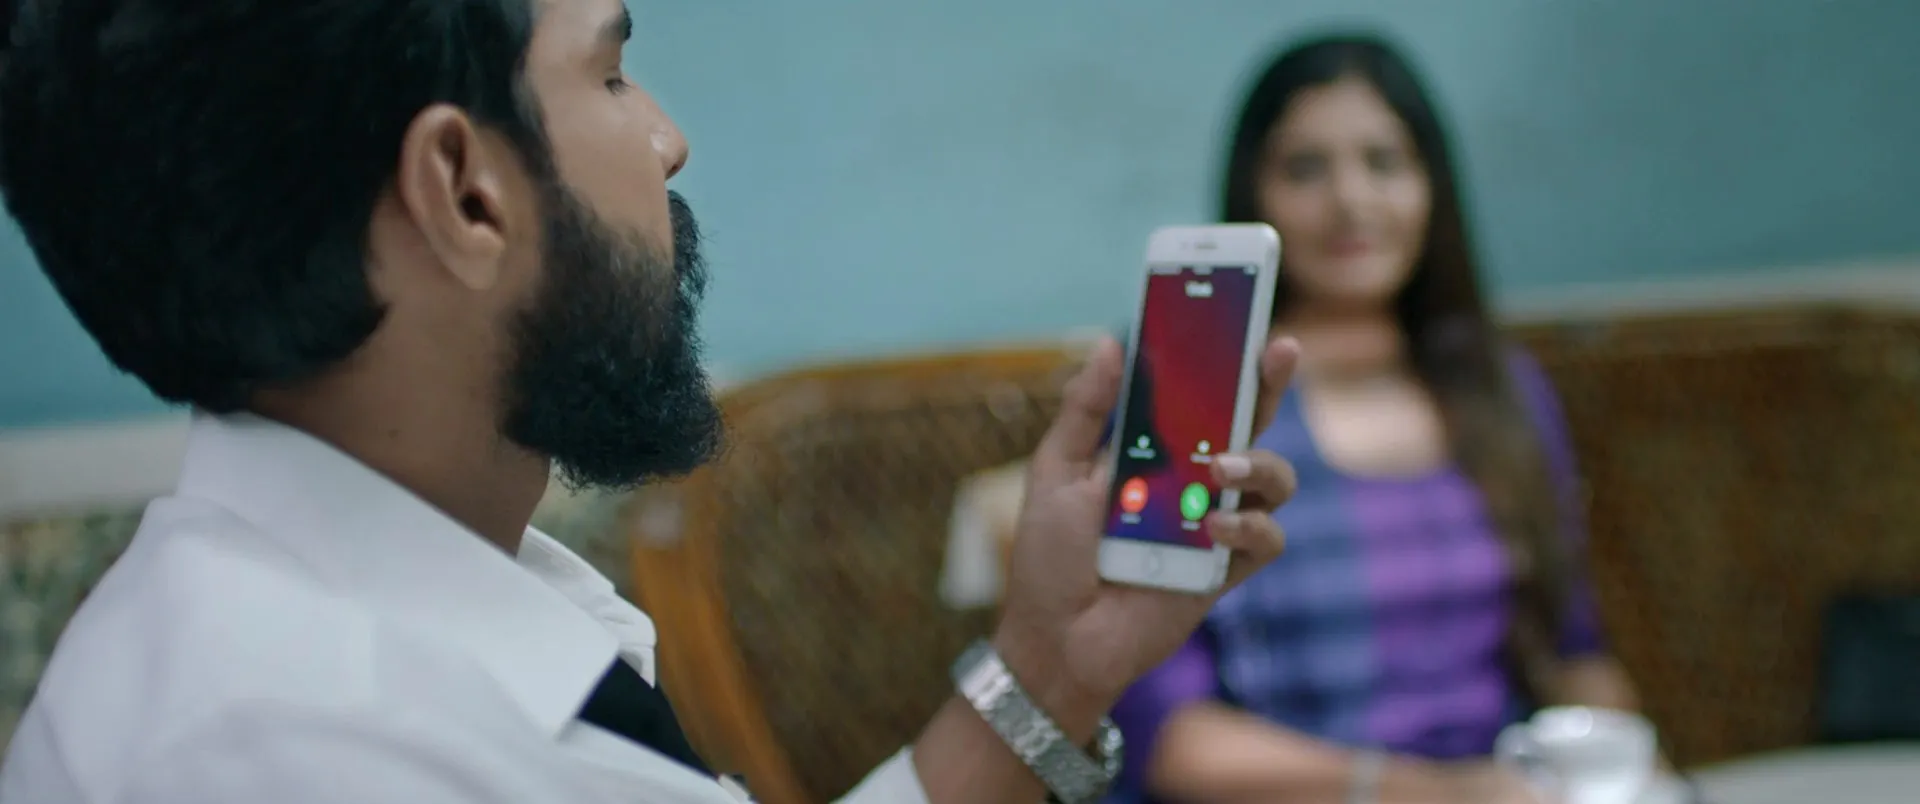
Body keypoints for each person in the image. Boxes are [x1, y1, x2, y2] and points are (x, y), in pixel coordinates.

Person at [0, 2, 1303, 803]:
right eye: (613, 73)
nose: (669, 138)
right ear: (463, 191)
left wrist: (1050, 668)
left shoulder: (370, 611)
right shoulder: (312, 755)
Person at [963, 33, 1649, 804]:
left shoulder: (1502, 388)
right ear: (1253, 192)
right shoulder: (1196, 383)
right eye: (1306, 169)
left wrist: (1622, 767)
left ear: (1432, 186)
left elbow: (1574, 653)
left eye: (1384, 162)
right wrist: (1423, 792)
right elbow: (1165, 737)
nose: (1351, 200)